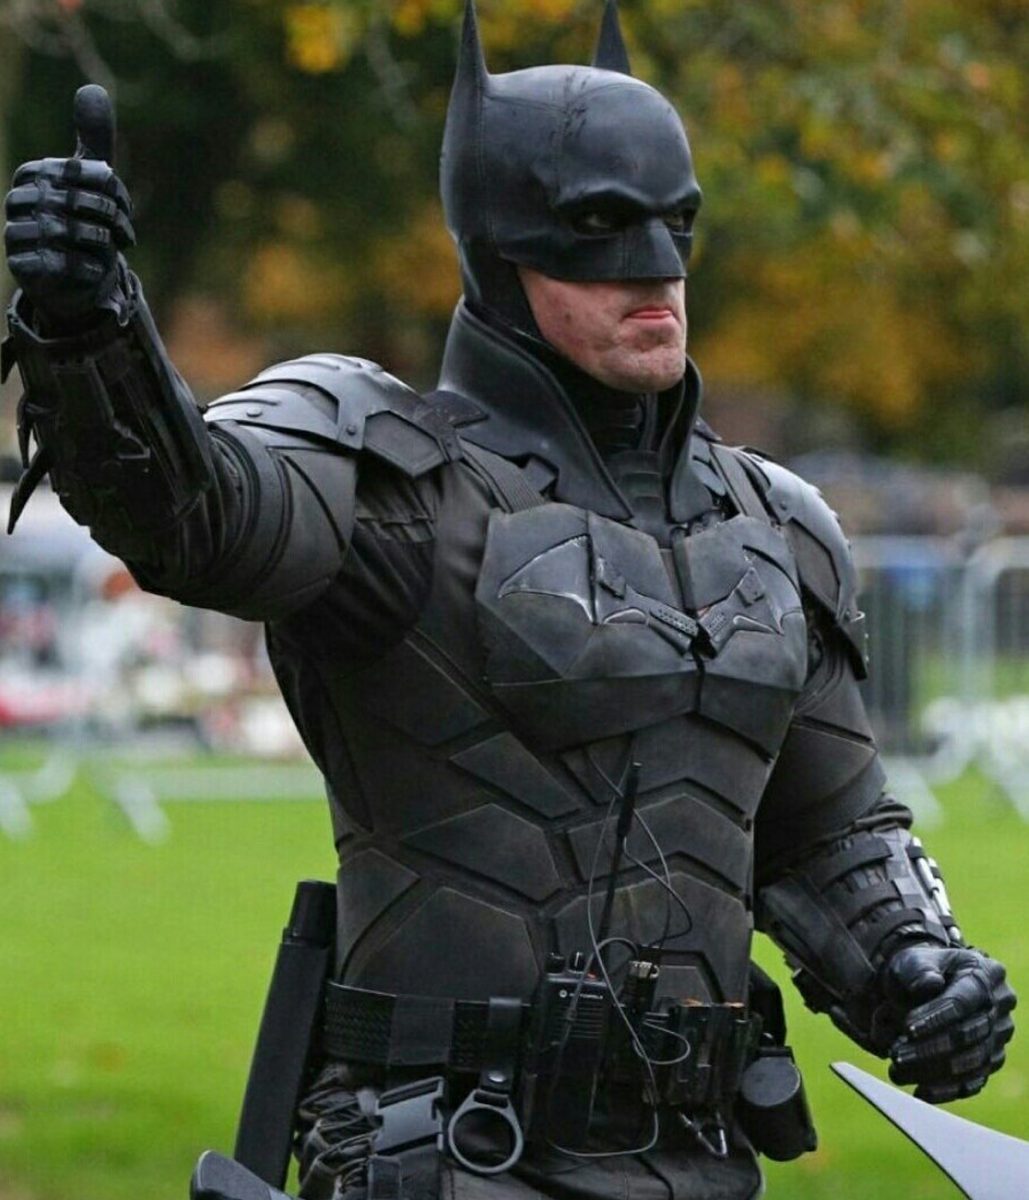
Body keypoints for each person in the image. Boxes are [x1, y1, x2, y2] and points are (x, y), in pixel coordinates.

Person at [3, 4, 1015, 1199]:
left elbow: (829, 829)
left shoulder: (774, 524)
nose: (655, 269)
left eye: (676, 225)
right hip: (447, 1150)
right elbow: (195, 515)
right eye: (596, 231)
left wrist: (917, 966)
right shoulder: (382, 472)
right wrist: (90, 329)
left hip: (698, 1156)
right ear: (497, 251)